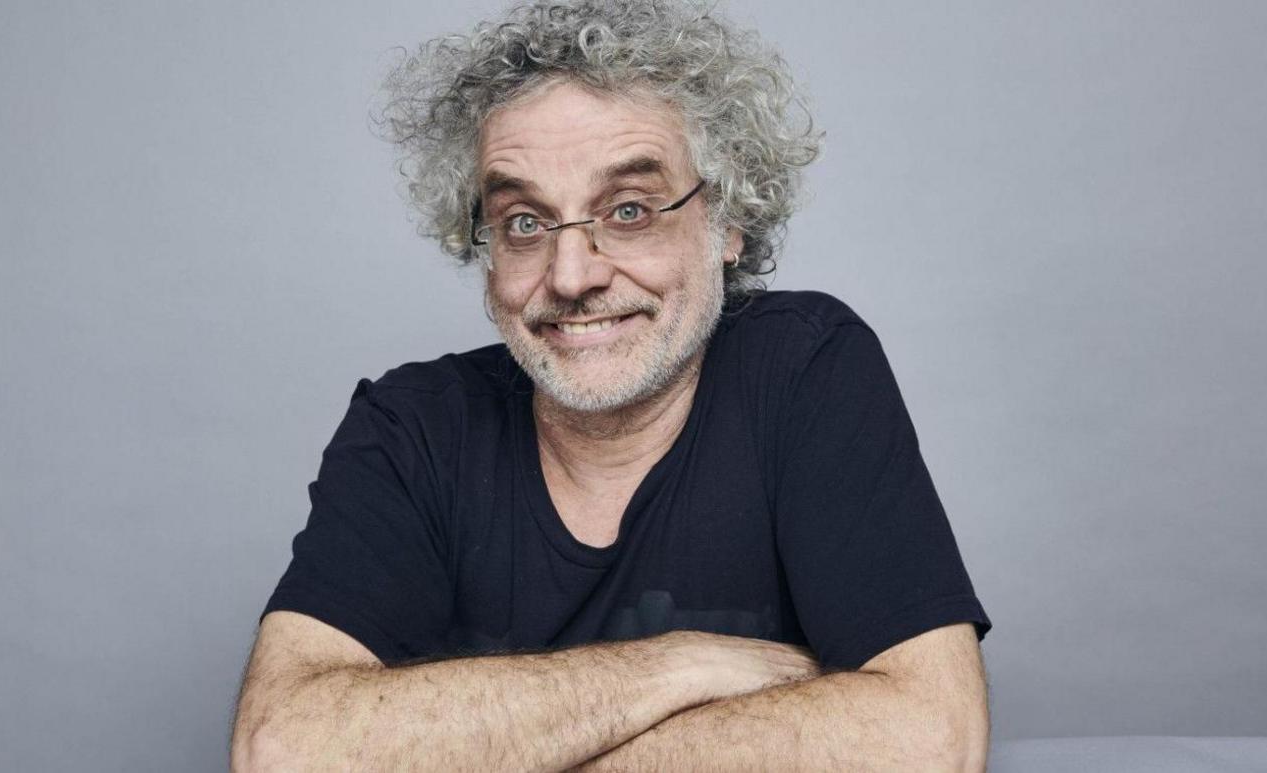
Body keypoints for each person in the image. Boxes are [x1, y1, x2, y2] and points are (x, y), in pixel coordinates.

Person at [231, 1, 993, 769]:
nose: (571, 276)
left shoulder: (805, 369)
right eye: (525, 221)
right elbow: (283, 749)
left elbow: (931, 737)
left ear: (728, 221)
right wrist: (676, 665)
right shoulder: (414, 428)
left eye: (629, 210)